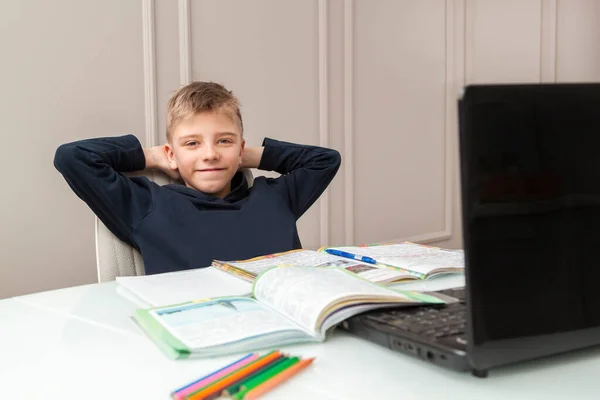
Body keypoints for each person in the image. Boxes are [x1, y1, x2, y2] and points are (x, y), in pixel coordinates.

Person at [54, 81, 341, 274]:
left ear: (241, 148)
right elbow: (72, 157)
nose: (210, 154)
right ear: (171, 153)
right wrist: (155, 157)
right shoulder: (147, 206)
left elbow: (325, 160)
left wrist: (244, 155)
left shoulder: (277, 198)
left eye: (223, 141)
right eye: (192, 143)